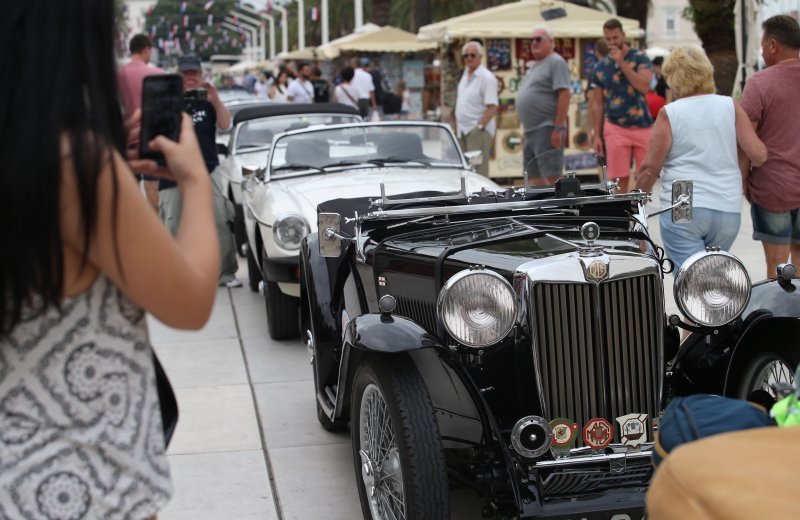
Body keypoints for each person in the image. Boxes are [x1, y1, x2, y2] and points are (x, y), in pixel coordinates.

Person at [0, 1, 219, 518]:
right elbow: (190, 302)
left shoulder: (32, 163)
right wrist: (195, 181)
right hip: (88, 483)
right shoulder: (78, 168)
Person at [633, 46, 766, 271]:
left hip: (684, 202)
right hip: (727, 205)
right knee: (715, 278)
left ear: (674, 78)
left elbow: (649, 169)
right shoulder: (729, 105)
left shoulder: (671, 113)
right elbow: (758, 154)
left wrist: (635, 206)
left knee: (691, 283)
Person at [158, 55, 240, 288]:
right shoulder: (168, 101)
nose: (190, 78)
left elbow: (225, 124)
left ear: (201, 75)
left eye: (194, 73)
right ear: (179, 75)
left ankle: (225, 273)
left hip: (207, 167)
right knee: (173, 221)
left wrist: (215, 100)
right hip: (173, 170)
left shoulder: (207, 101)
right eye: (186, 74)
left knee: (220, 218)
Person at [740, 15, 800, 279]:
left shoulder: (759, 83)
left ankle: (781, 320)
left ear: (773, 45)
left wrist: (742, 180)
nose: (762, 52)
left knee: (778, 271)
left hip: (773, 188)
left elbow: (744, 139)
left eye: (763, 46)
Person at [589, 18, 654, 192]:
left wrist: (622, 64)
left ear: (623, 35)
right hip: (615, 126)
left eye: (615, 38)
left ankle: (639, 213)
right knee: (618, 177)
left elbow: (643, 86)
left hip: (642, 123)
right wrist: (596, 134)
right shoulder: (600, 67)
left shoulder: (640, 58)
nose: (612, 43)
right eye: (608, 39)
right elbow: (597, 102)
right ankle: (623, 216)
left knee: (645, 175)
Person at [515, 25, 571, 185]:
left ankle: (563, 209)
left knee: (553, 178)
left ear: (551, 42)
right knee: (535, 179)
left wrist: (558, 128)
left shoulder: (556, 61)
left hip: (547, 128)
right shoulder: (535, 65)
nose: (534, 43)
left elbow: (565, 94)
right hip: (531, 132)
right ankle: (544, 209)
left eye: (538, 39)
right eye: (531, 40)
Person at [117, 33, 166, 211]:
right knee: (152, 187)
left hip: (127, 137)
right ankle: (156, 228)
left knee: (129, 189)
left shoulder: (117, 76)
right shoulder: (158, 74)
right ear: (146, 49)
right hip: (152, 138)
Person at [454, 41, 498, 177]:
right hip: (463, 129)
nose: (469, 58)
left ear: (480, 56)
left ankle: (481, 197)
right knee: (466, 169)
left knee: (478, 169)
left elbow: (492, 107)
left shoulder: (487, 78)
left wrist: (479, 127)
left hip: (477, 130)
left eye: (472, 55)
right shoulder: (465, 74)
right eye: (466, 55)